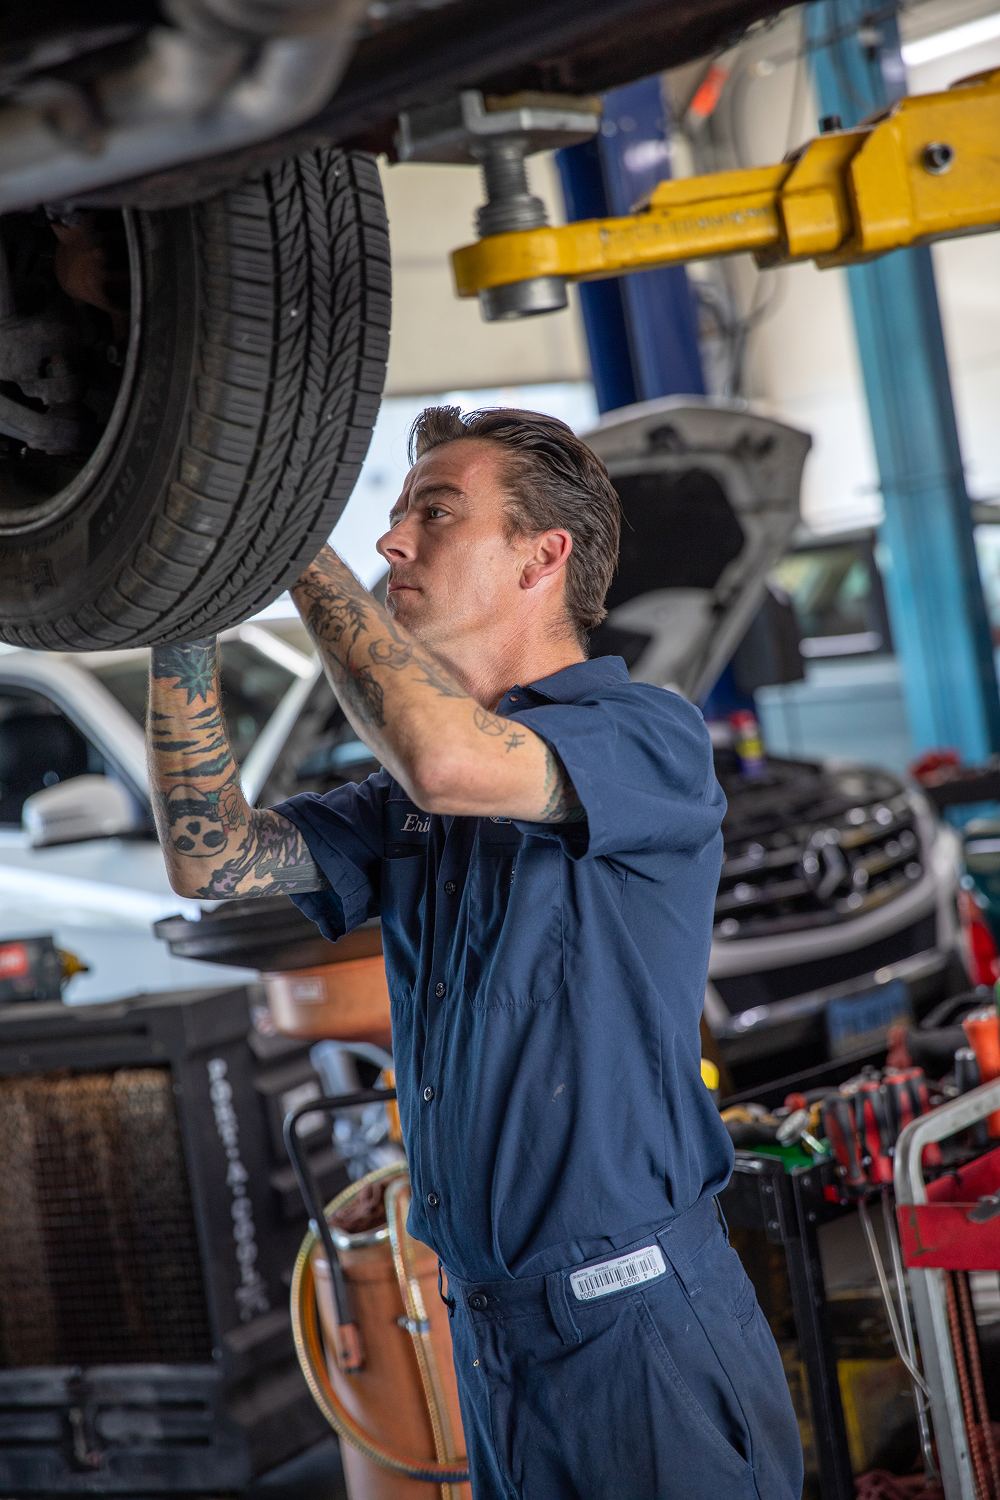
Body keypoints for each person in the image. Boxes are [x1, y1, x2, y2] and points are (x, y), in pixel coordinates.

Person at [148, 406, 803, 1500]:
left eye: (433, 514)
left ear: (543, 557)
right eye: (396, 516)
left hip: (639, 1333)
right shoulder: (408, 806)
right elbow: (207, 860)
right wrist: (182, 613)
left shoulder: (647, 736)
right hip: (494, 1339)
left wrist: (286, 540)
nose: (393, 542)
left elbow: (449, 761)